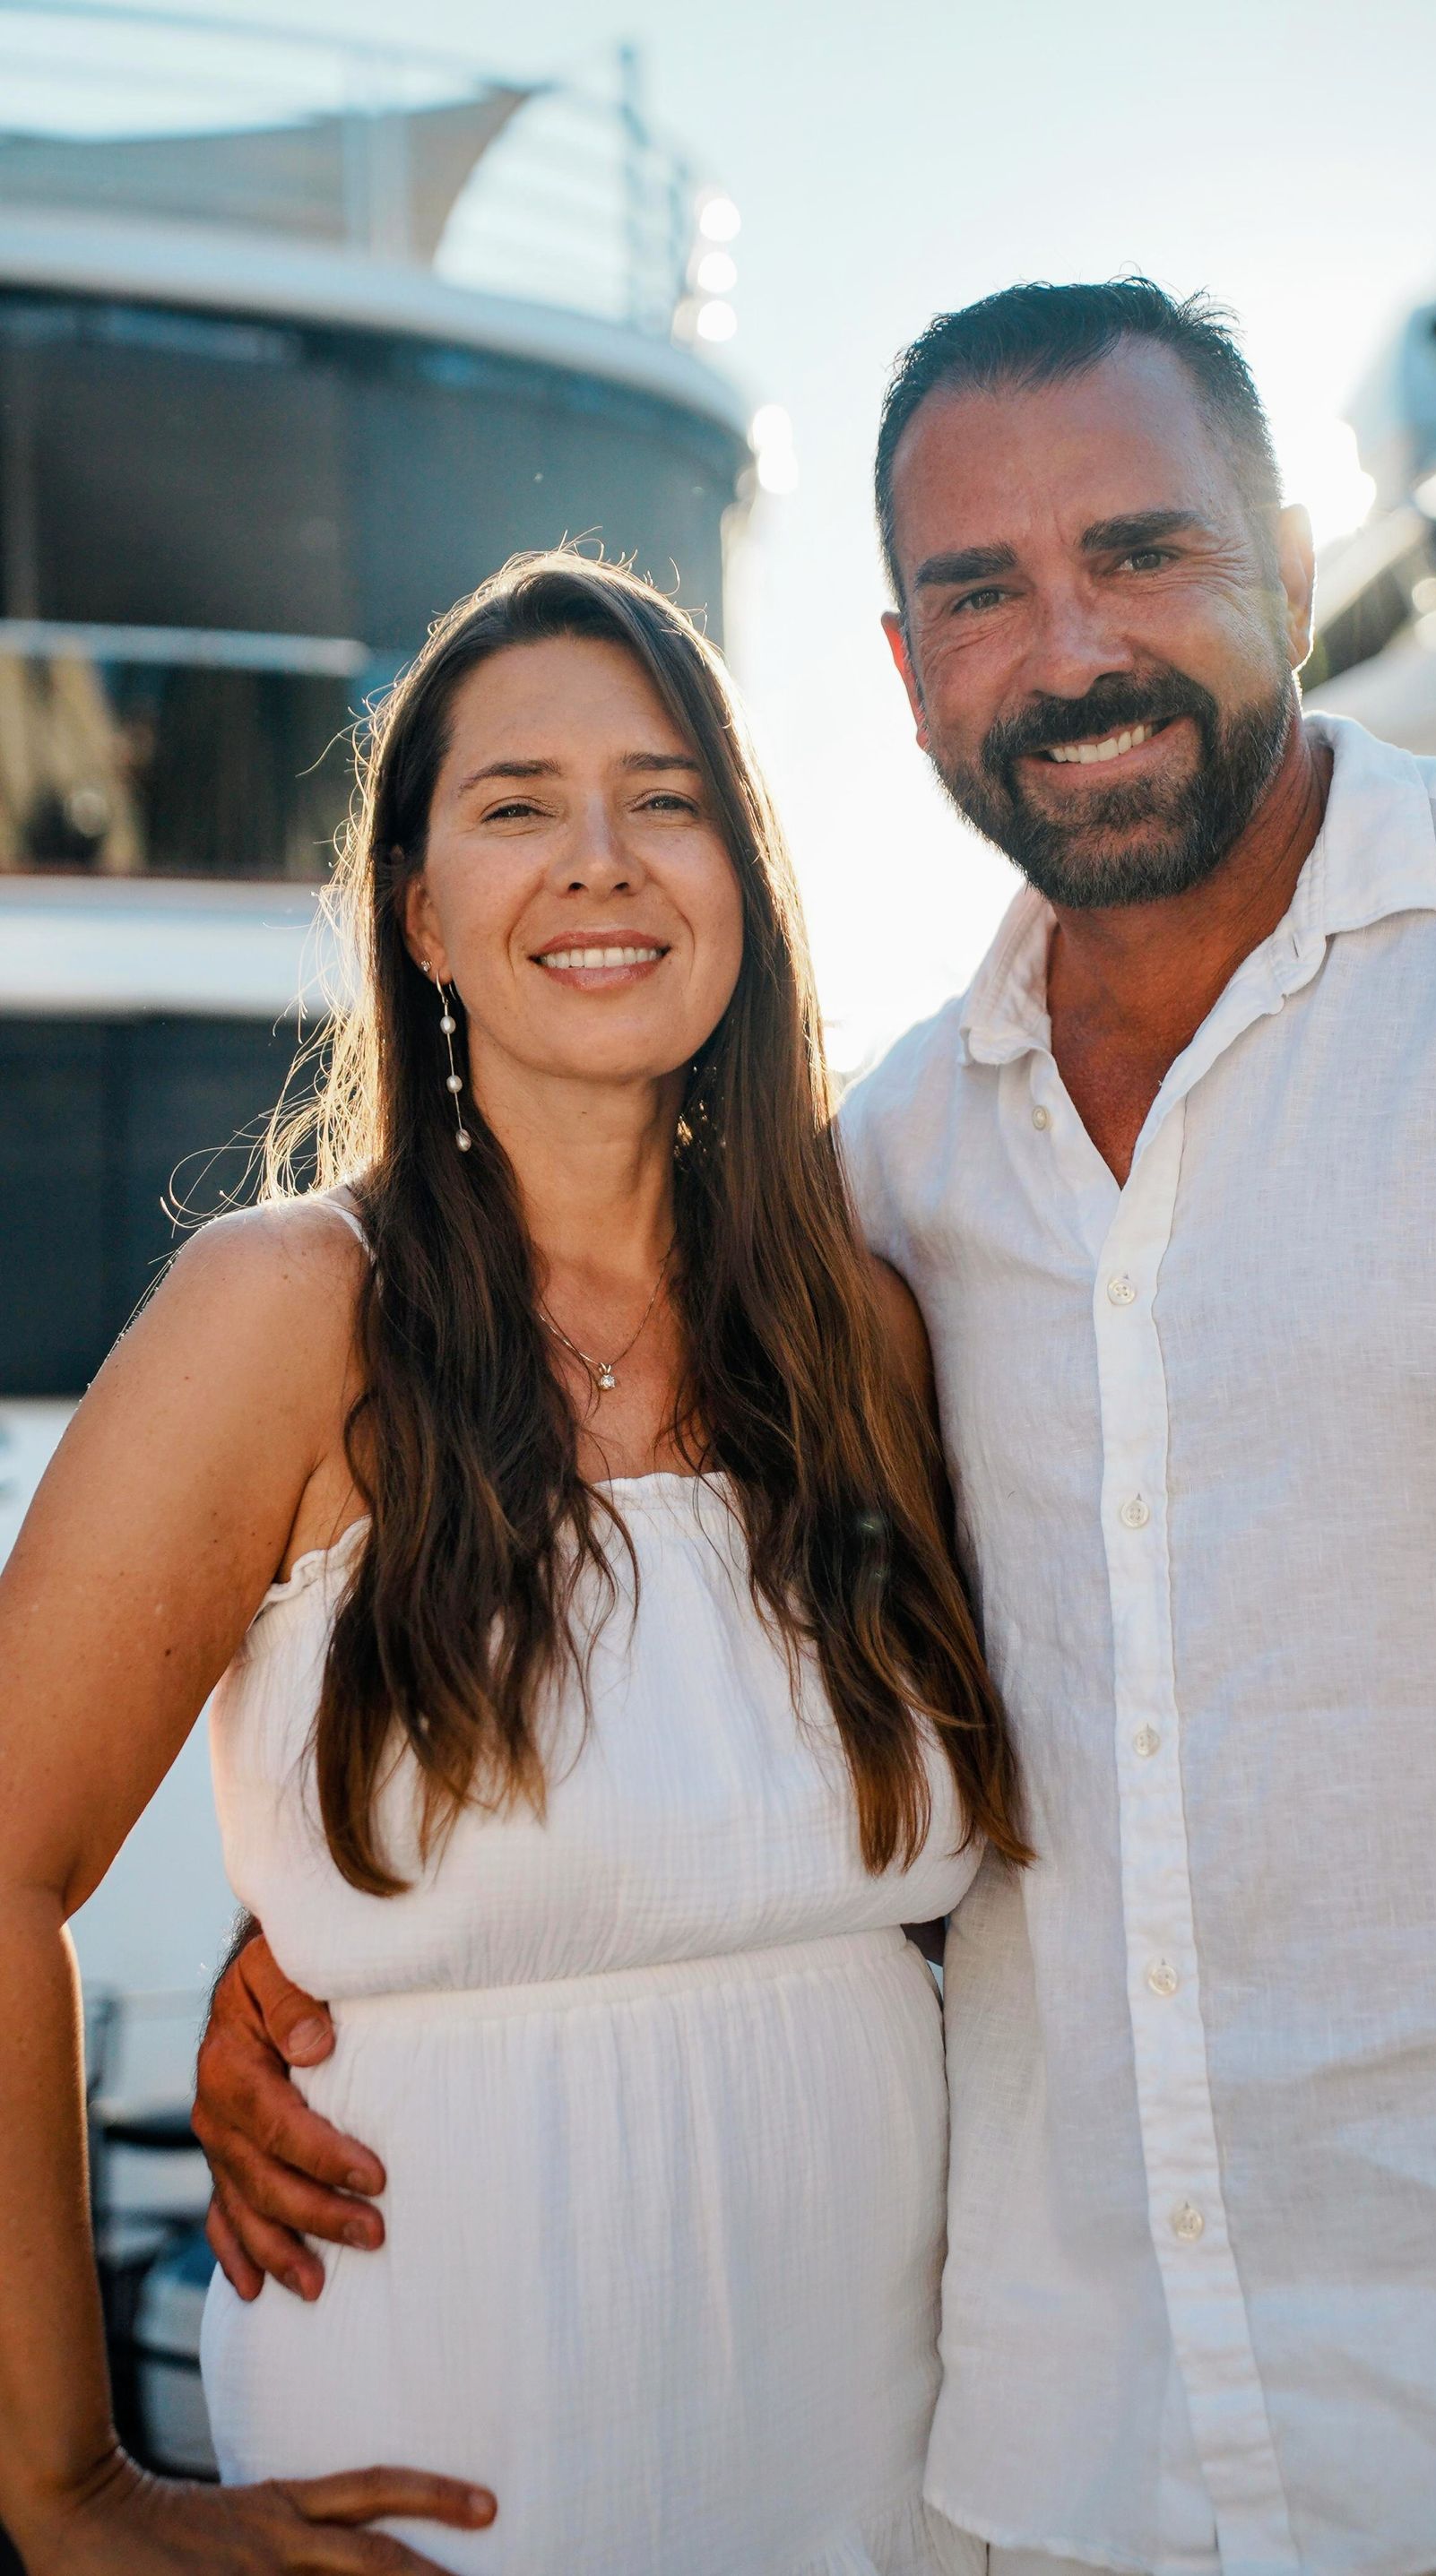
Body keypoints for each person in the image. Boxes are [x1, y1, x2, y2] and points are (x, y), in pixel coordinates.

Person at [198, 279, 1436, 2576]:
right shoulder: (878, 1182)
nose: (1072, 651)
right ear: (904, 670)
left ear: (1291, 572)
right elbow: (732, 1668)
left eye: (1143, 552)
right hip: (1039, 2473)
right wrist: (324, 1932)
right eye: (980, 593)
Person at [0, 551, 1027, 2575]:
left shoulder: (865, 1334)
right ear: (420, 912)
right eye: (515, 806)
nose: (601, 861)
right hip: (448, 2470)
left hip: (884, 2464)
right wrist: (65, 2487)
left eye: (667, 798)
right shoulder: (290, 1312)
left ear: (745, 873)